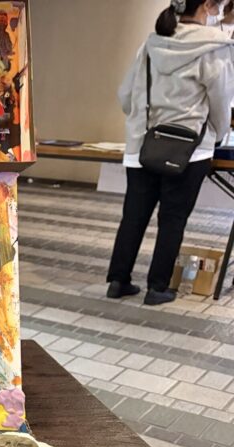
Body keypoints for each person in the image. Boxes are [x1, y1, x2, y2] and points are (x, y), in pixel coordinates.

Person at [107, 0, 234, 305]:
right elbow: (220, 102)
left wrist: (143, 123)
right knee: (173, 218)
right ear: (207, 6)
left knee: (133, 216)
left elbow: (125, 95)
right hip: (189, 150)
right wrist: (217, 135)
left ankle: (118, 281)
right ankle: (157, 287)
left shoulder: (152, 43)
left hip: (142, 145)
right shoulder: (215, 48)